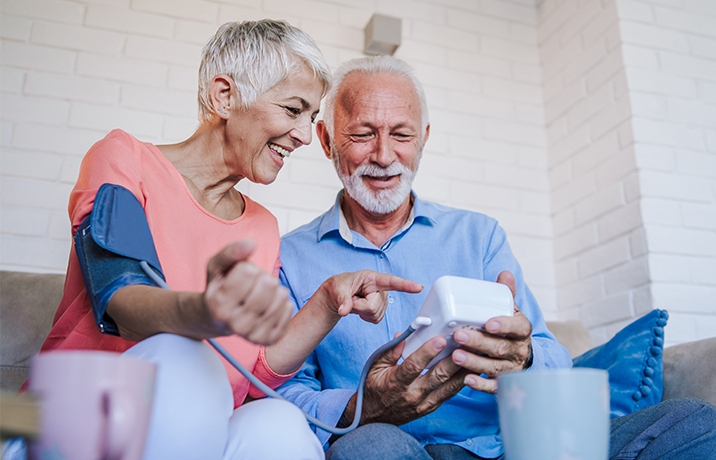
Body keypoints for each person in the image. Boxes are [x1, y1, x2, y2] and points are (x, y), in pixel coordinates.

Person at [276, 55, 716, 459]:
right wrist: (363, 407)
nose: (384, 155)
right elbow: (283, 392)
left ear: (424, 139)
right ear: (326, 138)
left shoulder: (478, 235)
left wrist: (523, 357)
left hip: (507, 448)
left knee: (692, 420)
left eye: (402, 134)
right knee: (366, 447)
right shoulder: (292, 257)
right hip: (389, 446)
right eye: (362, 134)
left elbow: (551, 356)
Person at [35, 22, 422, 460]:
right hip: (89, 410)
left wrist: (329, 303)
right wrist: (205, 313)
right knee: (187, 361)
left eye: (310, 118)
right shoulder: (126, 159)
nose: (301, 134)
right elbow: (119, 297)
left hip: (200, 427)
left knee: (281, 425)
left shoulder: (261, 227)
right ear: (225, 96)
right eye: (293, 109)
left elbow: (256, 369)